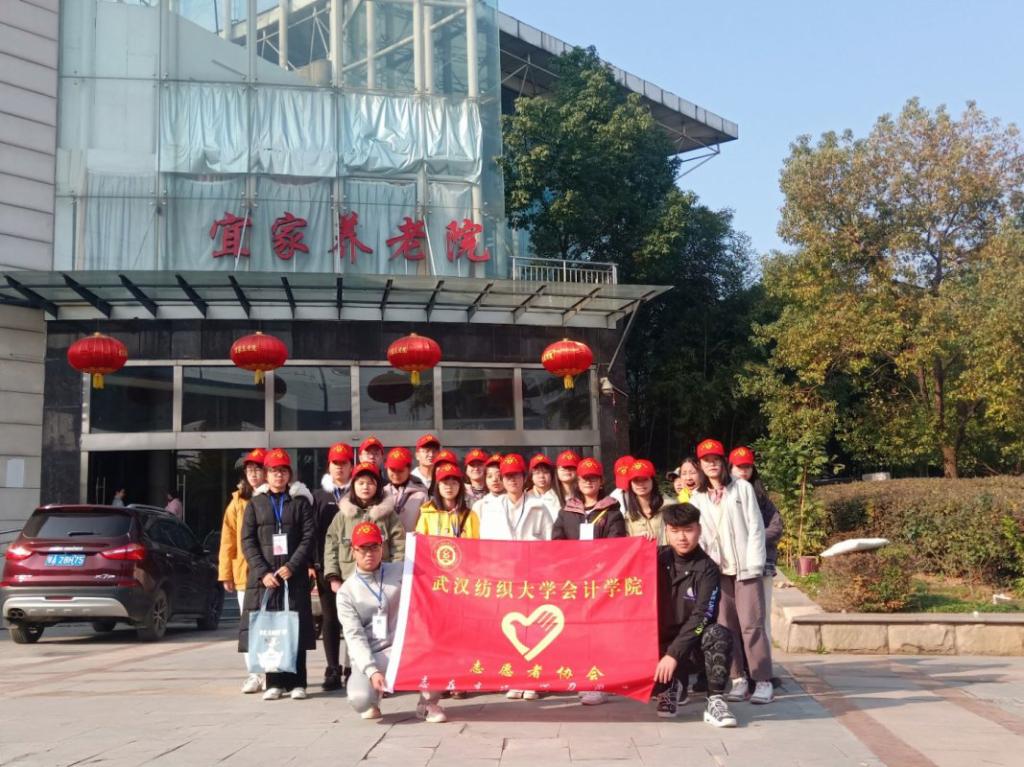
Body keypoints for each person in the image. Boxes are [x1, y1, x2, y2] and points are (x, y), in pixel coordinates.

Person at [688, 438, 773, 705]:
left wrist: (755, 563)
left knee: (752, 625)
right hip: (718, 571)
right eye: (706, 461)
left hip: (746, 568)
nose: (712, 464)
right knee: (726, 627)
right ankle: (738, 679)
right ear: (700, 465)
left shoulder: (742, 488)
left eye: (716, 459)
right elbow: (700, 535)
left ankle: (763, 680)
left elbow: (756, 527)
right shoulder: (698, 497)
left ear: (724, 462)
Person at [336, 521, 447, 722]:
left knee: (437, 652)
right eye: (363, 549)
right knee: (360, 699)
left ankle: (427, 704)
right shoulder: (346, 592)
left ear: (382, 548)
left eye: (374, 547)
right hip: (374, 654)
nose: (369, 554)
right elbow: (354, 637)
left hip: (406, 649)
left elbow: (434, 570)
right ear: (353, 551)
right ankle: (373, 698)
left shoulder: (403, 571)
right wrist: (371, 670)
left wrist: (426, 546)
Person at [239, 448, 316, 701]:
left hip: (294, 577)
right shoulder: (256, 504)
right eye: (273, 471)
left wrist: (292, 566)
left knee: (295, 626)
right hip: (267, 579)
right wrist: (263, 572)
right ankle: (274, 682)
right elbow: (247, 541)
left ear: (289, 474)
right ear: (267, 474)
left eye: (283, 471)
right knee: (271, 630)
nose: (278, 476)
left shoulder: (300, 503)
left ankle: (298, 682)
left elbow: (308, 537)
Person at [653, 503, 737, 727]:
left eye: (688, 530)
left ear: (699, 530)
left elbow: (703, 616)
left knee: (718, 634)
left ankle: (715, 700)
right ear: (666, 531)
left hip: (692, 645)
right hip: (658, 642)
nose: (682, 537)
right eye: (675, 530)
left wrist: (673, 654)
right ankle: (671, 687)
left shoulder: (708, 569)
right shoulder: (655, 558)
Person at [552, 456, 626, 706]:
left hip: (602, 582)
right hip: (574, 582)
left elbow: (616, 545)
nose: (588, 483)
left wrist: (596, 563)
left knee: (601, 631)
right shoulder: (567, 512)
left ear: (601, 481)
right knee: (579, 632)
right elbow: (556, 543)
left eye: (593, 478)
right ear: (578, 481)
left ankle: (601, 682)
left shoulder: (612, 511)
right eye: (584, 478)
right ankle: (584, 678)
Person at [219, 448, 267, 694]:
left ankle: (272, 673)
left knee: (270, 624)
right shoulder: (237, 501)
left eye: (258, 469)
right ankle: (254, 673)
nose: (254, 474)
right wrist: (225, 572)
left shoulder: (275, 497)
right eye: (250, 470)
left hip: (270, 573)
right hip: (244, 573)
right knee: (249, 624)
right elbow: (228, 539)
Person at [311, 441, 356, 693]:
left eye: (344, 463)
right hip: (325, 567)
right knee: (330, 619)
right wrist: (312, 563)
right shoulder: (319, 497)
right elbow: (311, 533)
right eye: (335, 463)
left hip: (354, 567)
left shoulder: (358, 494)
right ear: (329, 466)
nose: (339, 468)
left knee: (353, 619)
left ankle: (352, 667)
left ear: (351, 466)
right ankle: (332, 668)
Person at [729, 446, 784, 646]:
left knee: (762, 615)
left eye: (748, 467)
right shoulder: (724, 495)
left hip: (761, 564)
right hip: (732, 565)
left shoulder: (761, 498)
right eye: (739, 467)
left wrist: (752, 540)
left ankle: (764, 661)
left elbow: (776, 527)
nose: (743, 471)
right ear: (730, 468)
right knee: (735, 617)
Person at [323, 462, 405, 593]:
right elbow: (331, 546)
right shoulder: (342, 516)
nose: (365, 487)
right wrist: (334, 577)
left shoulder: (389, 515)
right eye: (360, 483)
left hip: (383, 581)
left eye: (370, 483)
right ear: (353, 485)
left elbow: (399, 546)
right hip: (348, 580)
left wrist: (395, 574)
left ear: (378, 486)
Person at [416, 462, 480, 539]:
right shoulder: (427, 515)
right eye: (445, 483)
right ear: (438, 485)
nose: (449, 487)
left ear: (460, 486)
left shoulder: (470, 516)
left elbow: (476, 543)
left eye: (454, 483)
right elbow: (421, 542)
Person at [382, 446, 428, 532]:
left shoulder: (421, 495)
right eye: (392, 470)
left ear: (409, 469)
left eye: (400, 470)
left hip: (412, 539)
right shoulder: (382, 492)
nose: (396, 474)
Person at [623, 459, 668, 543]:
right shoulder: (628, 517)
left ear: (653, 481)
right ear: (630, 484)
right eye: (636, 480)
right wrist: (637, 539)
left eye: (645, 479)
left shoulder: (668, 507)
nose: (641, 484)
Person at [525, 453, 561, 525]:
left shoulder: (559, 496)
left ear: (551, 475)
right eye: (537, 473)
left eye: (545, 472)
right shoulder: (525, 497)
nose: (541, 476)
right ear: (531, 476)